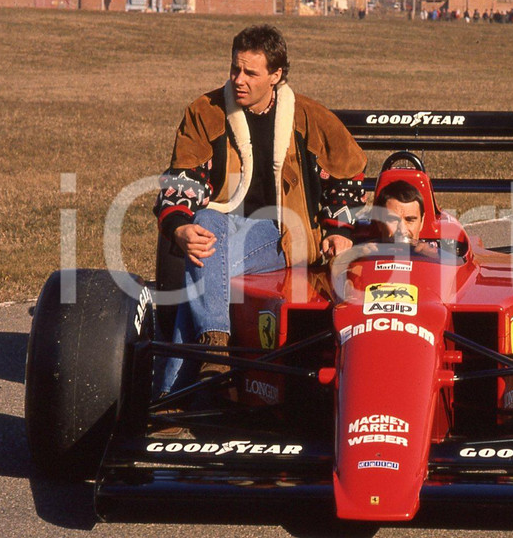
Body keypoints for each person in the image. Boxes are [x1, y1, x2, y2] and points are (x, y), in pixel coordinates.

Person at [153, 24, 367, 395]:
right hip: (221, 230)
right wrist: (179, 227)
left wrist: (339, 229)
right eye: (235, 69)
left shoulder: (311, 118)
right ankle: (214, 348)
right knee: (204, 228)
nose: (239, 79)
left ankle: (173, 394)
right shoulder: (205, 112)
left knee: (204, 267)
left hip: (287, 235)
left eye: (251, 73)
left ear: (276, 75)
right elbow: (182, 180)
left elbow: (348, 176)